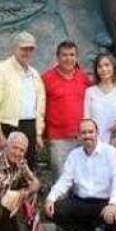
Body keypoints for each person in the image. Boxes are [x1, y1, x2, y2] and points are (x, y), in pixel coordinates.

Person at [45, 118, 116, 231]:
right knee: (52, 210)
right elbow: (64, 180)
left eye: (90, 132)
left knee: (114, 221)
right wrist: (51, 198)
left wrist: (113, 204)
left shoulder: (110, 152)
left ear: (97, 133)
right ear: (78, 136)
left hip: (103, 203)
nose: (87, 135)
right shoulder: (74, 155)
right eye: (83, 133)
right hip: (81, 203)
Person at [0, 31, 45, 168]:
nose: (27, 52)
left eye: (30, 49)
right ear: (14, 48)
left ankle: (24, 191)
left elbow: (39, 107)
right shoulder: (1, 70)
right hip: (9, 127)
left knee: (27, 168)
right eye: (23, 48)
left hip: (29, 127)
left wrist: (38, 134)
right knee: (5, 170)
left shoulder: (34, 74)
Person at [41, 40, 90, 177]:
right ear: (57, 57)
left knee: (81, 176)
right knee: (61, 176)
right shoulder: (46, 78)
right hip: (58, 138)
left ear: (76, 57)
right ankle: (61, 199)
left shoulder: (83, 77)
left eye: (72, 55)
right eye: (64, 55)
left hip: (82, 136)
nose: (69, 58)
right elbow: (39, 107)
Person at [84, 52, 116, 145]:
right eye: (100, 66)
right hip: (95, 142)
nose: (104, 69)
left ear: (113, 67)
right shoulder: (90, 91)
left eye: (107, 65)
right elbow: (86, 118)